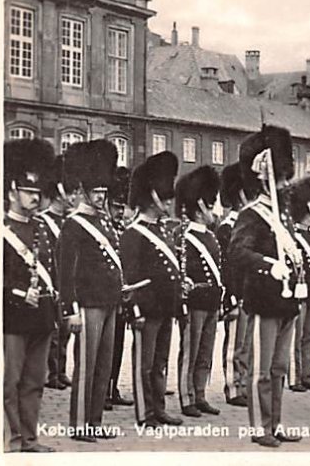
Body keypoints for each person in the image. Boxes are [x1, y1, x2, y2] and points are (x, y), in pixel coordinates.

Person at [228, 126, 303, 448]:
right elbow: (237, 252)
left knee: (279, 368)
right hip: (262, 299)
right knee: (261, 370)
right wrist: (269, 265)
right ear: (267, 179)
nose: (286, 187)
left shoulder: (282, 217)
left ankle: (276, 423)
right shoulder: (252, 215)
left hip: (286, 302)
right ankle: (261, 427)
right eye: (282, 180)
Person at [59, 140, 122, 442]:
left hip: (109, 302)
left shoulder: (105, 223)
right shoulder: (74, 226)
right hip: (88, 304)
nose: (101, 197)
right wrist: (70, 311)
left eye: (103, 192)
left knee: (103, 367)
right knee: (86, 366)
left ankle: (95, 421)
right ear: (84, 191)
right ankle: (80, 423)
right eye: (96, 192)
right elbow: (66, 273)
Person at [120, 151, 183, 427]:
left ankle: (158, 408)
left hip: (165, 306)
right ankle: (144, 414)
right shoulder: (134, 233)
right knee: (143, 365)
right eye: (165, 197)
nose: (169, 202)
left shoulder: (163, 230)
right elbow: (129, 280)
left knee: (160, 362)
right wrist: (135, 311)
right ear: (153, 197)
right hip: (146, 308)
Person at [3, 138, 58, 453]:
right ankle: (11, 440)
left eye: (38, 193)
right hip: (13, 316)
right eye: (29, 192)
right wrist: (20, 293)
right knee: (11, 383)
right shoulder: (0, 228)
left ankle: (30, 437)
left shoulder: (42, 229)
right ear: (12, 191)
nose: (35, 198)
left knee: (35, 382)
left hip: (40, 317)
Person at [174, 165, 223, 418]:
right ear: (201, 206)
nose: (214, 210)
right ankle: (186, 396)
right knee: (190, 352)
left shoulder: (212, 237)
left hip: (212, 300)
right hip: (194, 302)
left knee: (205, 352)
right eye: (211, 204)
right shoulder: (183, 236)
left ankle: (200, 393)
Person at [286, 175, 310, 391]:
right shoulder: (294, 235)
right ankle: (294, 377)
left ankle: (307, 374)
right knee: (297, 337)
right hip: (299, 292)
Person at [40, 155, 74, 390]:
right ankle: (51, 373)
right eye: (68, 192)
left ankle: (61, 370)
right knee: (52, 332)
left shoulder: (67, 222)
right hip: (51, 283)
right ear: (59, 192)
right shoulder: (43, 221)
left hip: (66, 284)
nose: (72, 197)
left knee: (65, 332)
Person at [217, 164, 247, 407]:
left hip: (250, 294)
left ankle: (243, 382)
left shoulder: (248, 225)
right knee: (234, 346)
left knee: (245, 344)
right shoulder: (227, 228)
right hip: (236, 294)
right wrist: (232, 298)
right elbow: (227, 268)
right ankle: (233, 386)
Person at [106, 167, 135, 409]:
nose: (121, 212)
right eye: (116, 207)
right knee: (103, 349)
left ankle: (112, 387)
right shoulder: (102, 232)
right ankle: (102, 390)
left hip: (121, 298)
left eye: (123, 207)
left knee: (117, 346)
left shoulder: (122, 231)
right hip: (104, 298)